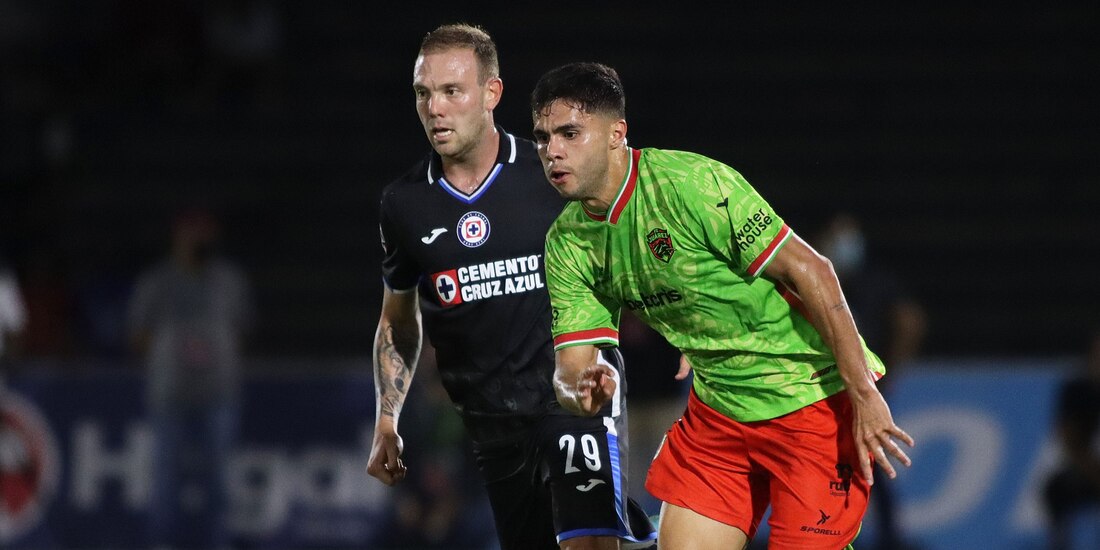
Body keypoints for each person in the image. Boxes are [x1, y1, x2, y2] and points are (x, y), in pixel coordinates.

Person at [532, 62, 915, 549]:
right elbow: (570, 372)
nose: (553, 152)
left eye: (570, 133)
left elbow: (812, 270)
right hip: (719, 417)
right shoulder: (568, 242)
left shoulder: (690, 185)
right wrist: (581, 391)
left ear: (616, 134)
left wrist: (863, 393)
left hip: (811, 406)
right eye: (543, 138)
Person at [366, 24, 656, 550]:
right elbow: (398, 320)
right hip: (492, 428)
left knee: (588, 544)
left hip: (574, 398)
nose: (435, 108)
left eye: (452, 91)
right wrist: (387, 420)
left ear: (491, 94)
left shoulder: (554, 173)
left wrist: (681, 329)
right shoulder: (403, 205)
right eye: (423, 93)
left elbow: (629, 254)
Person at [127, 208, 255, 549]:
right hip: (170, 395)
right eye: (193, 232)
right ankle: (163, 544)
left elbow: (242, 331)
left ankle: (216, 544)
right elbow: (138, 335)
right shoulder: (157, 281)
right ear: (178, 236)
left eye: (206, 232)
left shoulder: (229, 280)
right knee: (165, 480)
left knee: (219, 482)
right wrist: (169, 358)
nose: (200, 240)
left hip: (218, 394)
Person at [815, 211, 927, 550]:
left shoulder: (873, 281)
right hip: (822, 390)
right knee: (843, 465)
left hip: (862, 390)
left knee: (869, 464)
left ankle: (879, 538)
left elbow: (911, 322)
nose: (845, 245)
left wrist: (889, 373)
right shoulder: (813, 275)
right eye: (838, 236)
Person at [1042, 328, 1100, 550]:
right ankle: (1059, 542)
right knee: (1057, 486)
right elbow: (1069, 439)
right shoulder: (1077, 390)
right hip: (1089, 469)